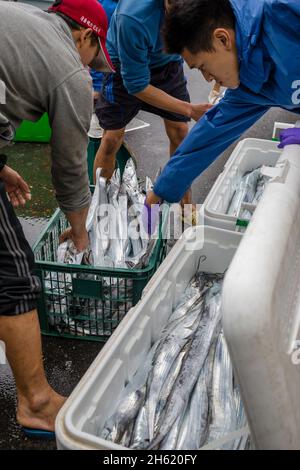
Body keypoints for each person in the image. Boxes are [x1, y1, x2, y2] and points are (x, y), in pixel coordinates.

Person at [0, 0, 113, 438]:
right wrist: (81, 229)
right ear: (84, 35)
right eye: (94, 54)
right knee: (14, 276)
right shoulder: (69, 70)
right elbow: (68, 166)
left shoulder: (19, 19)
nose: (91, 65)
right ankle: (37, 403)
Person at [145, 0, 300, 210]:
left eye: (203, 66)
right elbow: (211, 132)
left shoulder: (283, 12)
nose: (208, 78)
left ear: (222, 38)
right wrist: (161, 189)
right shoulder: (248, 86)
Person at [93, 0, 211, 206]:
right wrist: (190, 109)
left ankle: (184, 201)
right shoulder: (132, 17)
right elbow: (136, 86)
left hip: (167, 62)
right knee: (111, 138)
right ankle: (100, 205)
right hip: (124, 67)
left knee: (180, 131)